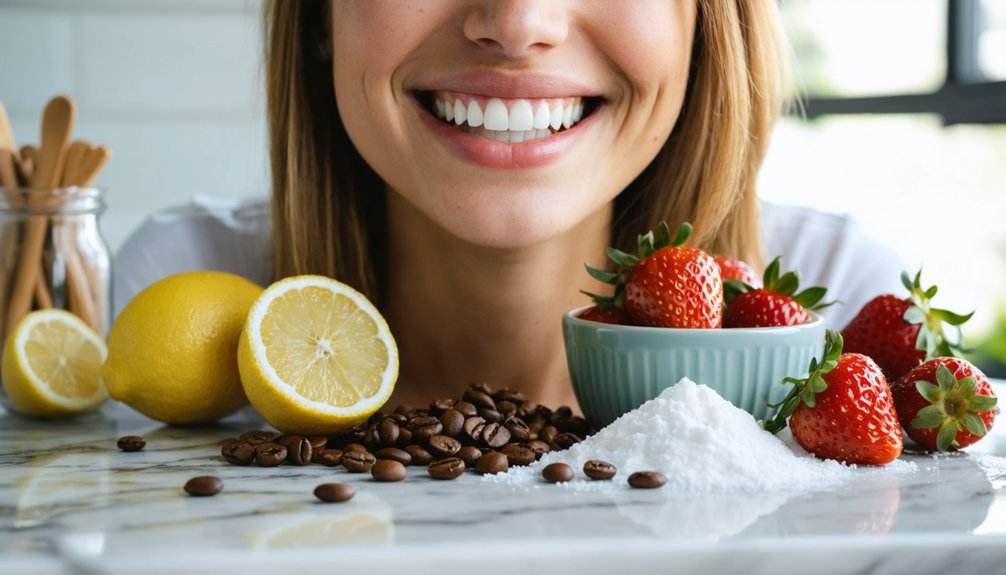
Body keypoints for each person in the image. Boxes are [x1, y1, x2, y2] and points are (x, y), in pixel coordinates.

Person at [114, 0, 904, 409]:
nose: (518, 23)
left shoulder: (840, 311)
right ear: (322, 16)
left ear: (704, 21)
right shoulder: (182, 296)